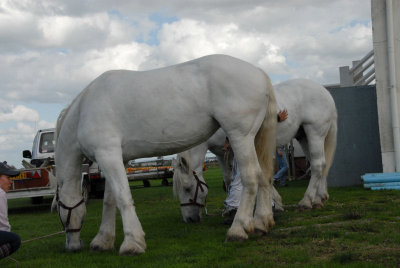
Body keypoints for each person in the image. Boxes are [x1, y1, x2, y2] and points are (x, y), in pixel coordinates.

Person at [222, 110, 288, 224]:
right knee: (249, 176)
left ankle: (236, 209)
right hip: (250, 144)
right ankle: (266, 208)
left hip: (250, 144)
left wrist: (276, 118)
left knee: (243, 176)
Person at [0, 162, 21, 260]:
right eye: (8, 178)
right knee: (14, 240)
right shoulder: (0, 194)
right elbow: (3, 226)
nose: (11, 182)